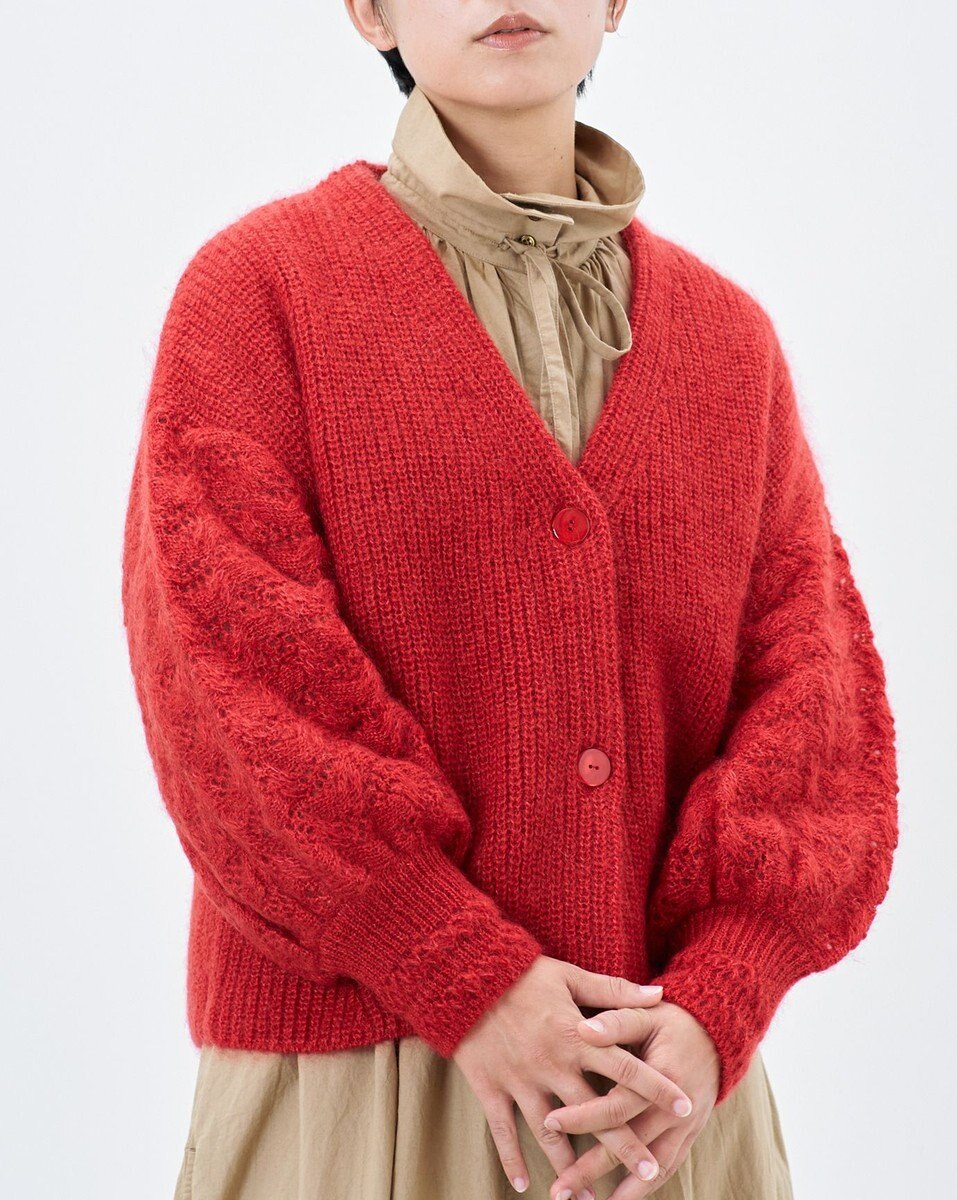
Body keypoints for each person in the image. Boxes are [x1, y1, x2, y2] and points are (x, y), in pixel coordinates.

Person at [120, 3, 900, 1198]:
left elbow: (815, 717)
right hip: (365, 1085)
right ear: (368, 8)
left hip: (665, 1100)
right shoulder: (259, 297)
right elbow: (227, 697)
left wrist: (721, 997)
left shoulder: (729, 348)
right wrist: (453, 964)